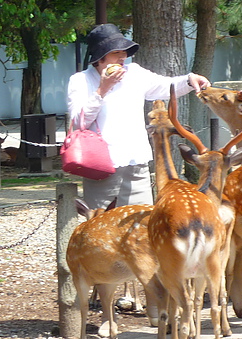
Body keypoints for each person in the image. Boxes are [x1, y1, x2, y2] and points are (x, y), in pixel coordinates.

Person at [67, 23, 211, 209]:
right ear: (100, 58)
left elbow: (165, 86)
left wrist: (189, 80)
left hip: (137, 163)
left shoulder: (134, 73)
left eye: (124, 51)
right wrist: (102, 89)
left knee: (141, 224)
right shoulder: (80, 80)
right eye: (115, 52)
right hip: (100, 165)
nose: (122, 57)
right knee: (102, 226)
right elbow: (79, 122)